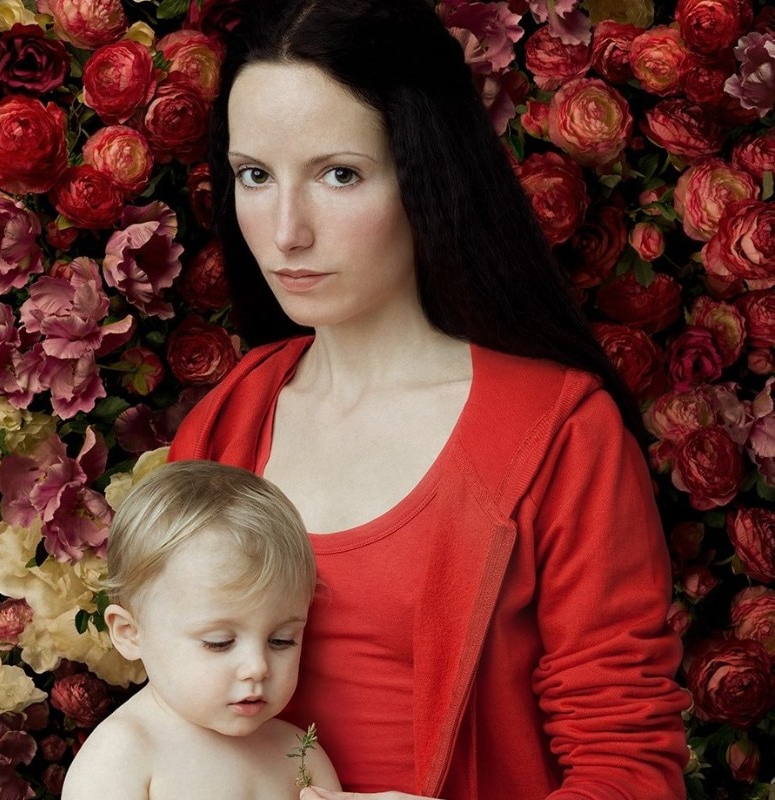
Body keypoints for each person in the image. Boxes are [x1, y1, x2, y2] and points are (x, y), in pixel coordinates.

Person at [168, 0, 692, 797]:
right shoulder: (225, 425)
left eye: (339, 174)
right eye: (255, 176)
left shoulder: (560, 433)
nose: (286, 232)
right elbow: (169, 717)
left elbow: (630, 769)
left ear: (425, 175)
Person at [61, 460, 340, 799]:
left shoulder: (300, 754)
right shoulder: (122, 755)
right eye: (219, 643)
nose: (257, 667)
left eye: (281, 640)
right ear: (130, 633)